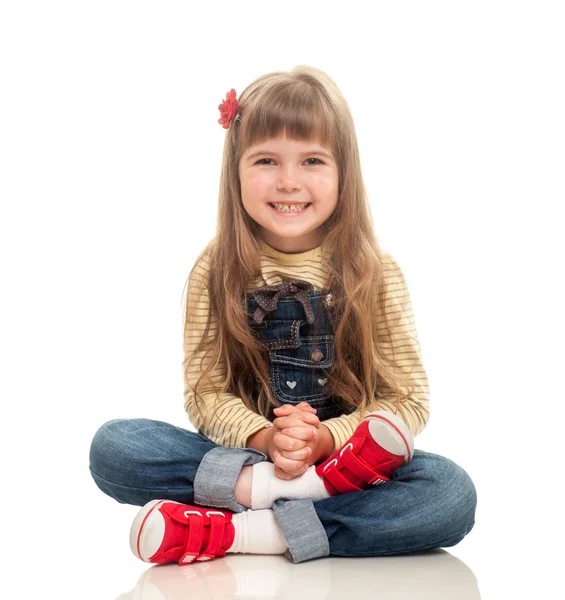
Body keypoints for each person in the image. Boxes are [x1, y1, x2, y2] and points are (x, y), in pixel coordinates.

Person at [89, 65, 477, 566]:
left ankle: (244, 532)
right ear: (236, 172)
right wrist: (268, 440)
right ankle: (289, 500)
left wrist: (326, 441)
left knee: (449, 493)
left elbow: (405, 399)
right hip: (252, 457)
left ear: (344, 172)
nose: (289, 181)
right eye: (267, 160)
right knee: (117, 447)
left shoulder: (374, 271)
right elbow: (206, 392)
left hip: (346, 466)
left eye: (312, 160)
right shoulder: (218, 268)